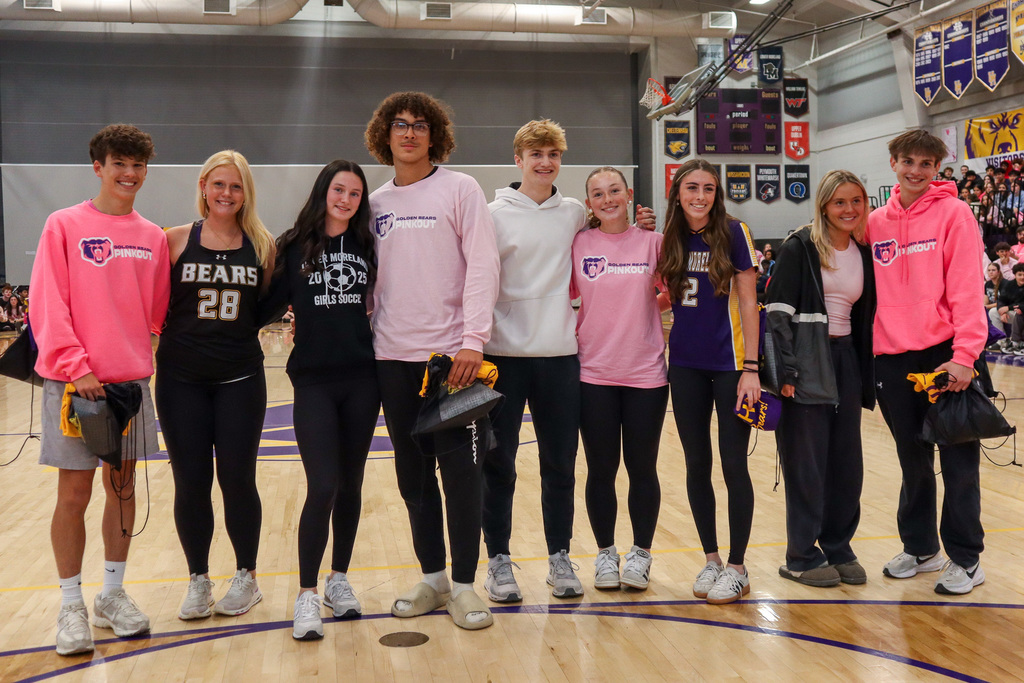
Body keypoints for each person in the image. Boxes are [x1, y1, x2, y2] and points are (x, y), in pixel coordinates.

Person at [481, 120, 655, 602]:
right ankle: (498, 561)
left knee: (561, 466)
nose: (545, 163)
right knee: (499, 465)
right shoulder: (492, 213)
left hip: (561, 358)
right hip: (502, 357)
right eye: (535, 154)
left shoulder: (575, 212)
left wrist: (643, 224)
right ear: (518, 160)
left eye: (553, 154)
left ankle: (559, 557)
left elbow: (614, 235)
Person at [29, 124, 169, 655]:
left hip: (129, 386)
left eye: (137, 166)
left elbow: (156, 312)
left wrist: (139, 357)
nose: (129, 174)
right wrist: (75, 365)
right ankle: (71, 605)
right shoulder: (63, 225)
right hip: (75, 386)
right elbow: (48, 302)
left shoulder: (153, 236)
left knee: (123, 489)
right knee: (74, 494)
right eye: (119, 164)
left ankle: (113, 594)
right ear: (98, 167)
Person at [364, 91, 500, 630]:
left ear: (434, 134)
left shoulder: (461, 189)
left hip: (453, 362)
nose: (410, 133)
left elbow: (483, 265)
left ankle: (466, 585)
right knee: (412, 476)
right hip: (391, 359)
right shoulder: (373, 204)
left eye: (420, 125)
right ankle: (433, 578)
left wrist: (473, 340)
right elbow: (371, 285)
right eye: (400, 124)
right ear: (385, 134)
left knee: (463, 476)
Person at [262, 160, 380, 640]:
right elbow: (264, 307)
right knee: (323, 485)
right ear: (322, 191)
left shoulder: (370, 244)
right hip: (312, 381)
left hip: (362, 379)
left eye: (355, 193)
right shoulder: (292, 245)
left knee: (351, 485)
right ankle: (307, 594)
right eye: (339, 189)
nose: (346, 199)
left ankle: (339, 581)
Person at [156, 150, 275, 622]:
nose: (227, 194)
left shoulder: (262, 245)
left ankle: (246, 576)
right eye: (219, 184)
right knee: (190, 482)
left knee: (238, 479)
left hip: (240, 379)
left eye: (237, 186)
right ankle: (198, 579)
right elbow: (151, 302)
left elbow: (265, 307)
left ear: (247, 193)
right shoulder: (173, 241)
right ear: (204, 185)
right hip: (180, 380)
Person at [868, 129, 987, 594]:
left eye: (926, 164)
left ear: (937, 168)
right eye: (908, 162)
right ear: (894, 163)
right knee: (911, 461)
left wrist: (964, 357)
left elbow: (967, 291)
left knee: (959, 463)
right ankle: (922, 549)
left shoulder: (955, 214)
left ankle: (967, 558)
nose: (916, 171)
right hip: (893, 360)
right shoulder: (875, 222)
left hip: (945, 358)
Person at [657, 159, 760, 605]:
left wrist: (752, 368)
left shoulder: (735, 232)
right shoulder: (668, 237)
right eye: (692, 188)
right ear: (678, 192)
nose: (700, 196)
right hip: (683, 364)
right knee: (696, 464)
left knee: (733, 463)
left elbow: (750, 303)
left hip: (731, 365)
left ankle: (738, 566)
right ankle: (712, 559)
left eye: (709, 189)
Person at [766, 170, 876, 588]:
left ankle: (837, 545)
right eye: (840, 202)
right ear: (824, 206)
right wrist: (786, 370)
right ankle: (800, 554)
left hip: (845, 361)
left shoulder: (863, 251)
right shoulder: (800, 247)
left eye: (856, 201)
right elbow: (776, 312)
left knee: (846, 462)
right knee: (806, 464)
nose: (849, 209)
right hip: (806, 363)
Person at [571, 167, 669, 591]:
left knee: (642, 467)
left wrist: (651, 301)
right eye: (598, 193)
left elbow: (673, 291)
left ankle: (641, 555)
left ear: (629, 195)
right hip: (593, 373)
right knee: (600, 469)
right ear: (589, 203)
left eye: (614, 191)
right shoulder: (579, 244)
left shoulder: (654, 242)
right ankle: (606, 554)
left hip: (646, 373)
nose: (607, 198)